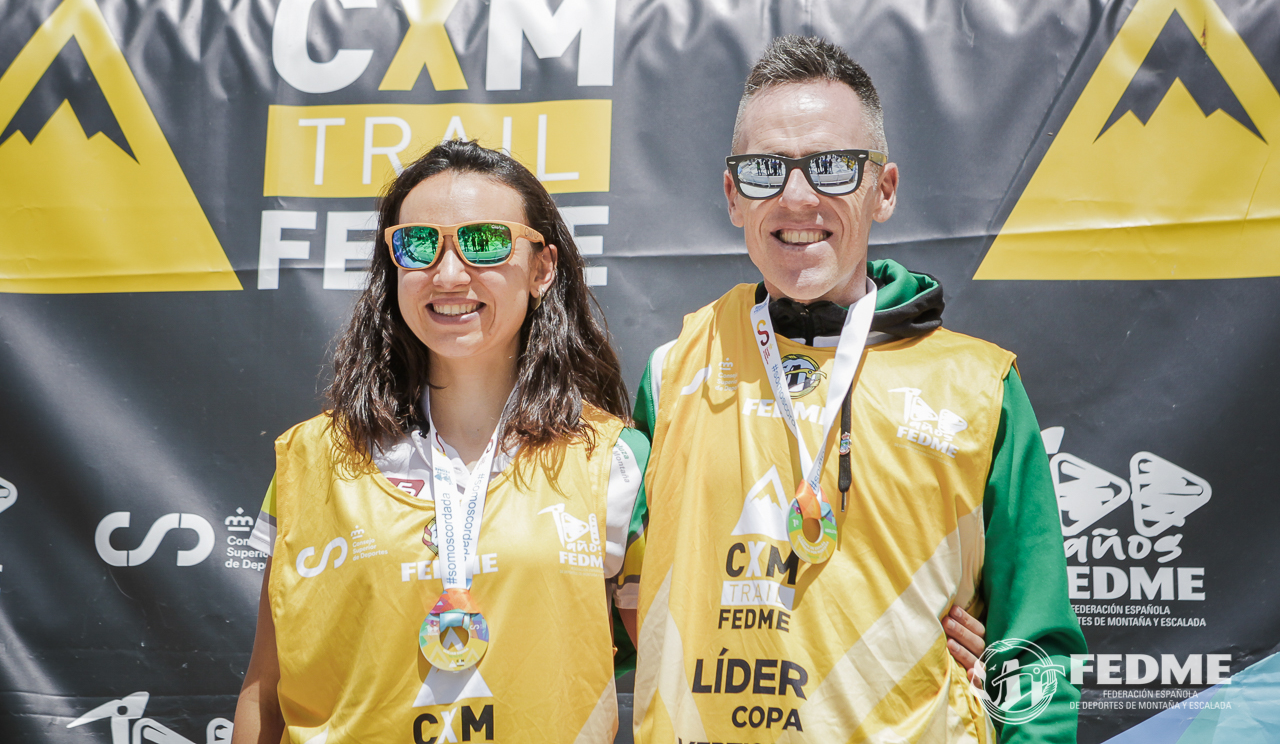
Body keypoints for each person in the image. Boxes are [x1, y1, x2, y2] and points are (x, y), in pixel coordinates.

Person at [630, 37, 1086, 743]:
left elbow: (1036, 649)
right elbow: (600, 598)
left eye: (834, 167)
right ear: (731, 194)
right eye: (764, 170)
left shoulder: (979, 386)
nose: (798, 196)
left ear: (885, 189)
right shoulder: (672, 372)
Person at [231, 141, 650, 744]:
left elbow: (670, 672)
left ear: (542, 268)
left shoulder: (612, 459)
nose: (449, 274)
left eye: (484, 242)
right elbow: (265, 690)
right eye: (419, 245)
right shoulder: (312, 458)